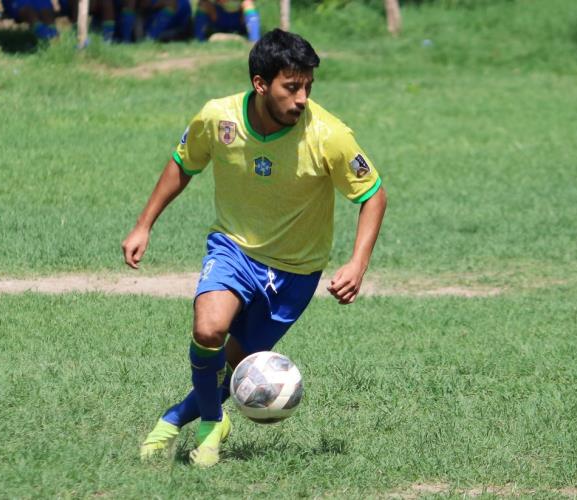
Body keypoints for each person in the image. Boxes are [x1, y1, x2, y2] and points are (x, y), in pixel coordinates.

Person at [121, 28, 387, 468]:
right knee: (208, 330)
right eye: (291, 86)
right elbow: (183, 163)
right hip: (234, 249)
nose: (302, 98)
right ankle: (210, 425)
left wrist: (358, 262)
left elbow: (373, 194)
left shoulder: (329, 135)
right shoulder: (218, 118)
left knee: (231, 366)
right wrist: (143, 225)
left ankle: (175, 418)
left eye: (308, 87)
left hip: (295, 273)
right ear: (261, 84)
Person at [193, 0, 259, 43]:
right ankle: (199, 40)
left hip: (239, 18)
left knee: (248, 3)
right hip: (218, 17)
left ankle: (254, 40)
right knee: (203, 4)